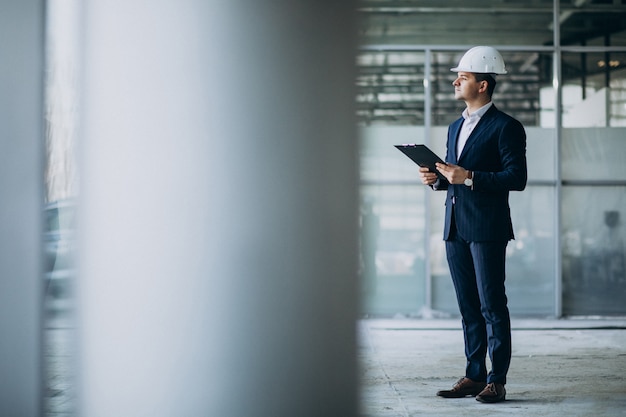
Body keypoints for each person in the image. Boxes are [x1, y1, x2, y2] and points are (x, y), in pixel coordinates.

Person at [418, 46, 527, 403]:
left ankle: (497, 379)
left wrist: (469, 177)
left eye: (462, 77)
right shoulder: (454, 126)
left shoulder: (506, 127)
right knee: (468, 306)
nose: (455, 81)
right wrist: (436, 178)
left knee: (492, 304)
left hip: (487, 228)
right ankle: (474, 375)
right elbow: (455, 176)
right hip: (455, 227)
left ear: (482, 85)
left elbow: (517, 177)